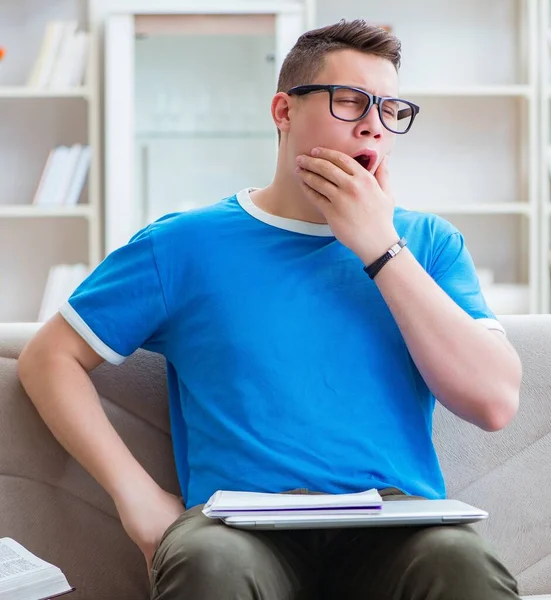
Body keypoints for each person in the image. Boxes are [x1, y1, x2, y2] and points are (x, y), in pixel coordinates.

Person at [18, 19, 523, 600]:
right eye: (351, 100)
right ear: (283, 111)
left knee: (463, 562)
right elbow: (48, 358)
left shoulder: (429, 245)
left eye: (390, 110)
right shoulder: (184, 244)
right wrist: (136, 496)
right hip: (235, 527)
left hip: (395, 522)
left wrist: (379, 247)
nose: (373, 125)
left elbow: (493, 402)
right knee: (209, 562)